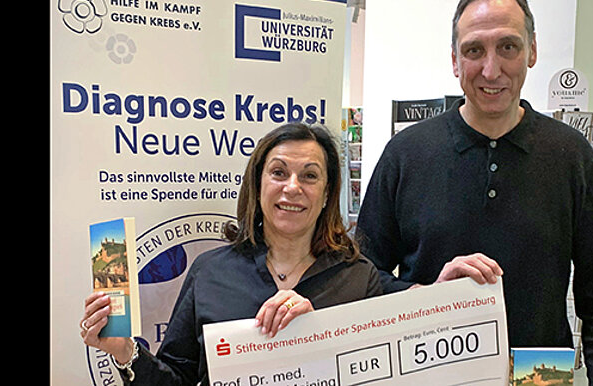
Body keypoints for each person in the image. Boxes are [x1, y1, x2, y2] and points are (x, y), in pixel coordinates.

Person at [355, 0, 593, 384]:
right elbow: (360, 277)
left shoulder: (570, 155)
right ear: (455, 60)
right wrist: (425, 297)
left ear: (532, 51)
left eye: (508, 47)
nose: (491, 70)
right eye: (474, 50)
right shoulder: (406, 154)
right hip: (431, 375)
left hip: (539, 377)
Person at [80, 123, 382, 385]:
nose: (292, 187)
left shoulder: (357, 278)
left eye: (310, 176)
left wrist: (317, 335)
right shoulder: (210, 272)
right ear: (258, 184)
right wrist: (124, 351)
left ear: (327, 192)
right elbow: (177, 378)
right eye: (278, 172)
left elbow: (377, 374)